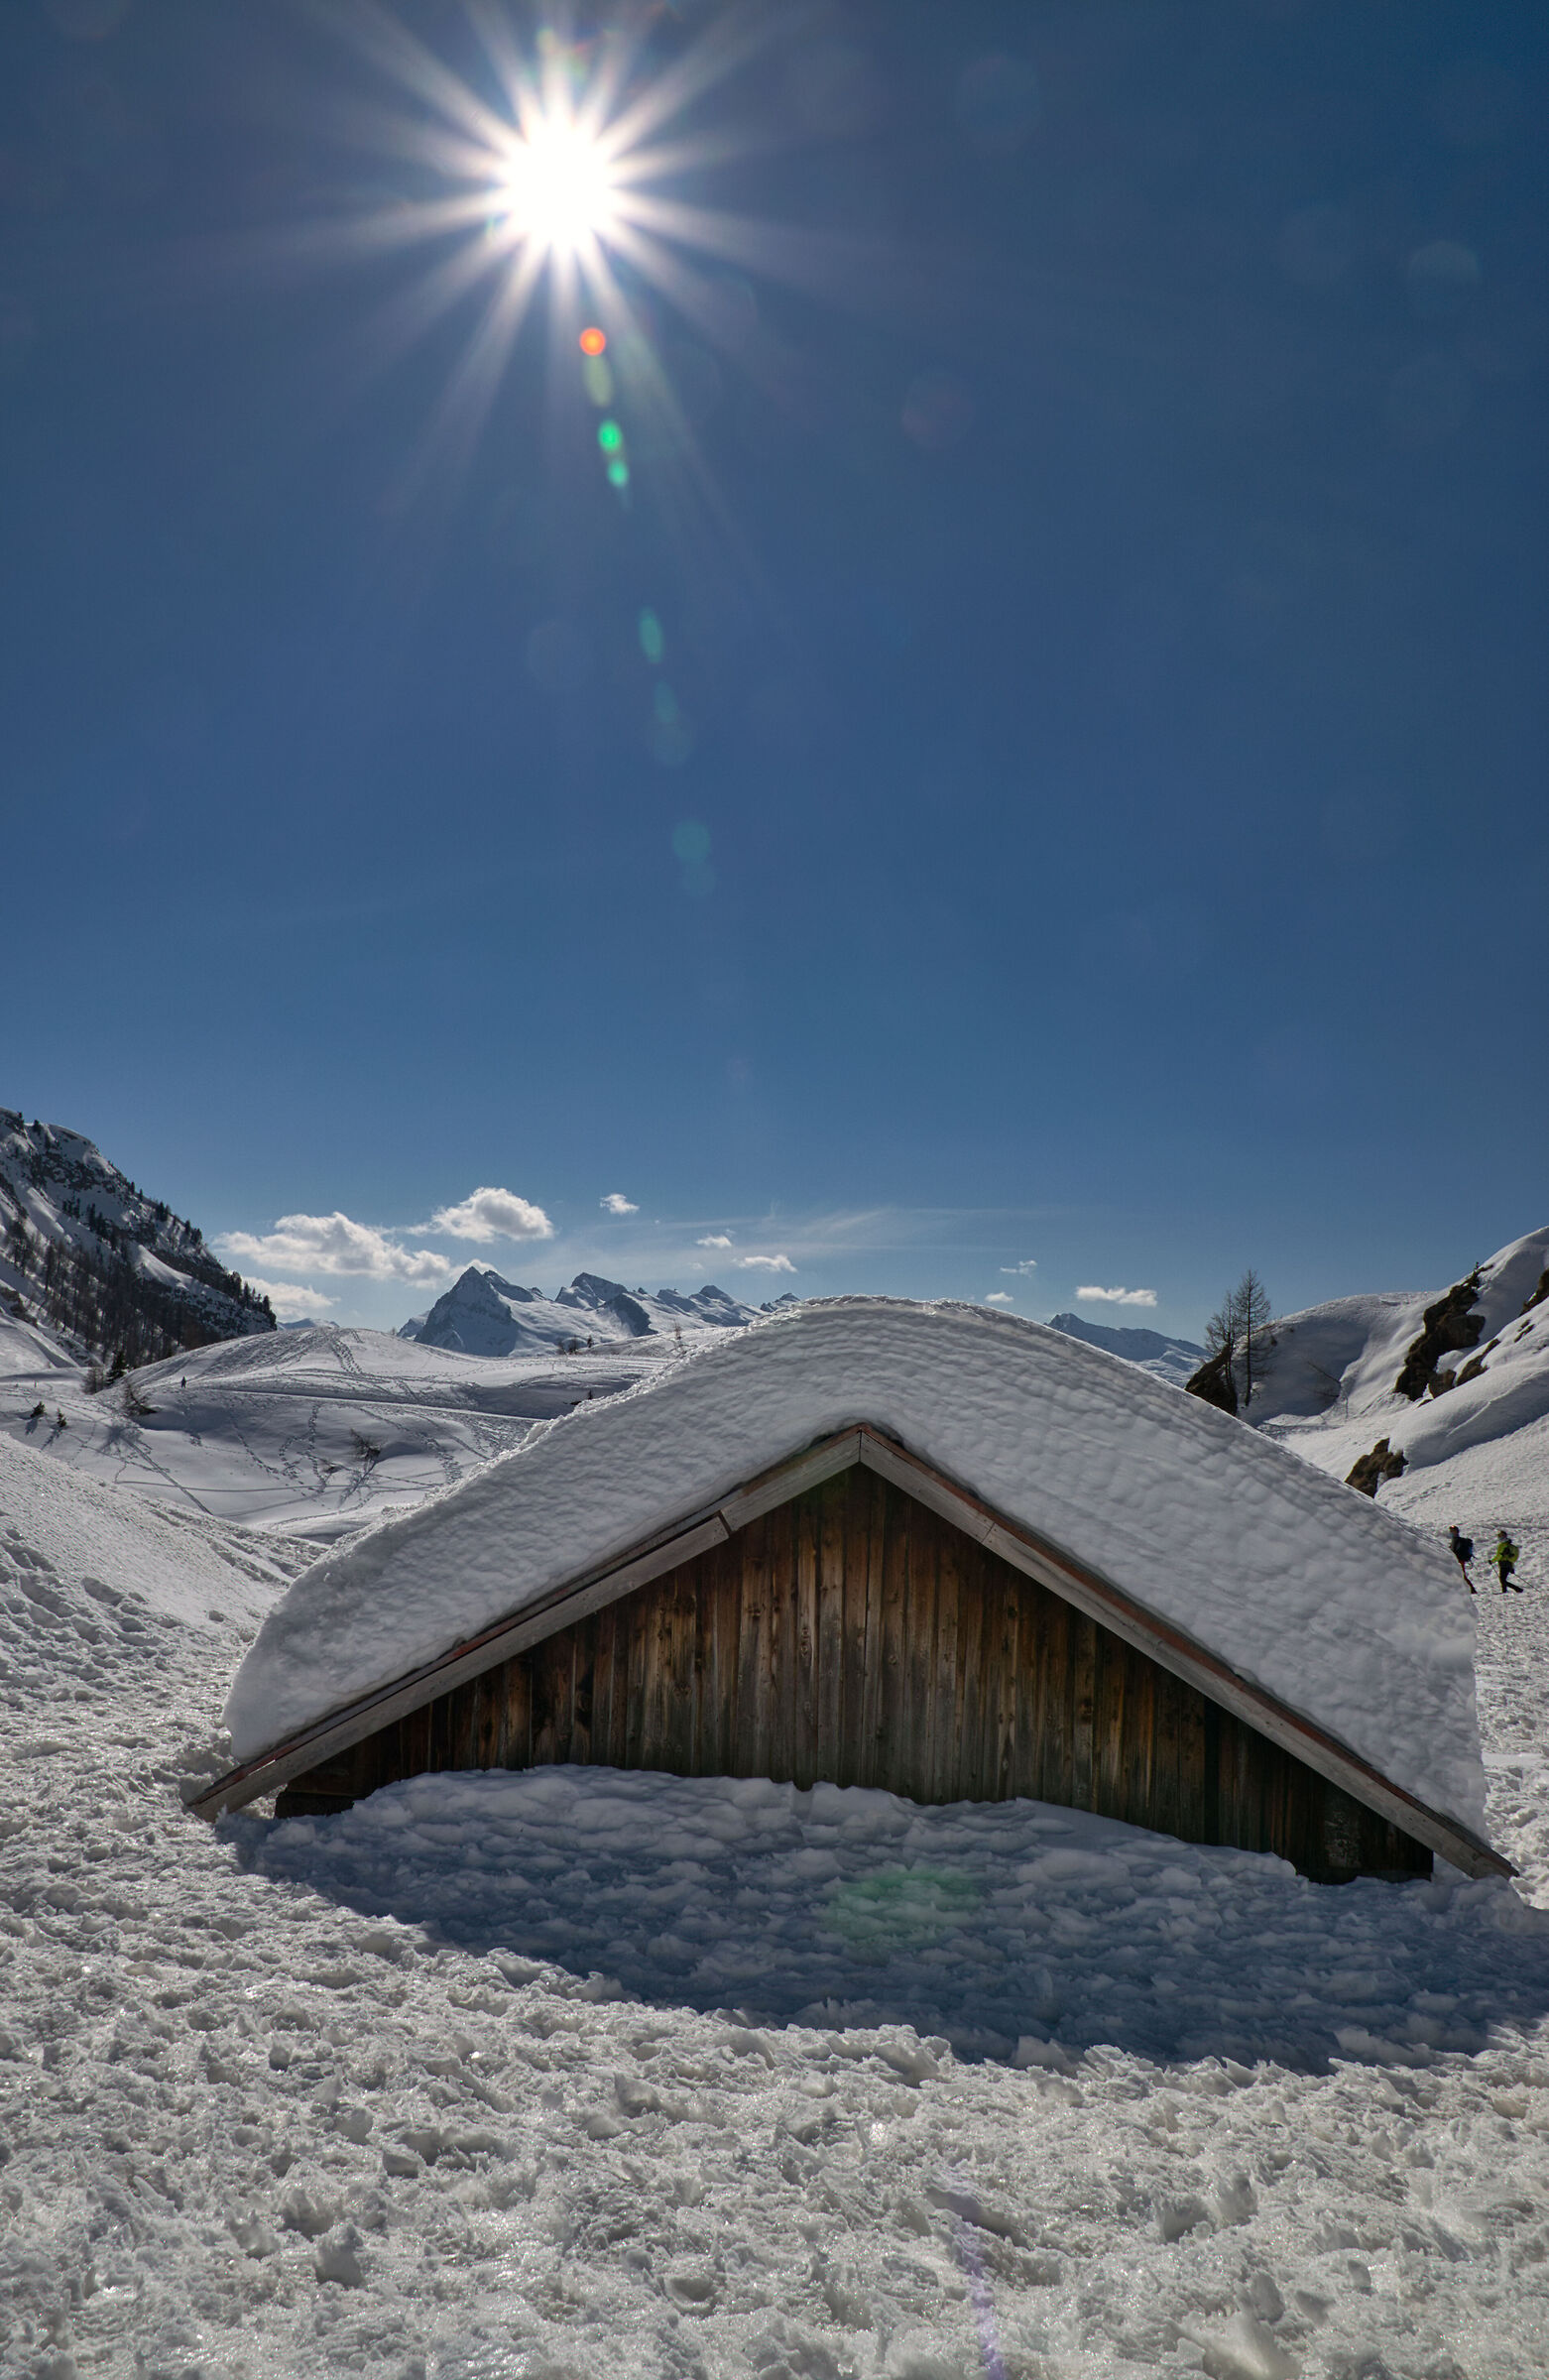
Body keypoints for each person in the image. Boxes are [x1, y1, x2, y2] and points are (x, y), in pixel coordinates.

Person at [1491, 1527, 1522, 1595]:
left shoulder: (1502, 1545)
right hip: (1509, 1564)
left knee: (1502, 1579)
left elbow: (1499, 1555)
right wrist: (1512, 1567)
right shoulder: (1512, 1546)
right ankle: (1505, 1591)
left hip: (1503, 1563)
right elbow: (1514, 1557)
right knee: (1503, 1579)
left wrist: (1492, 1561)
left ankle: (1517, 1589)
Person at [1448, 1524, 1477, 1592]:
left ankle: (1472, 1589)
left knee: (1462, 1576)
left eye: (1453, 1531)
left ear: (1457, 1532)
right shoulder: (1454, 1540)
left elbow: (1455, 1551)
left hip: (1459, 1560)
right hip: (1457, 1560)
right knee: (1459, 1575)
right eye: (1450, 1531)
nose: (1451, 1532)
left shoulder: (1457, 1540)